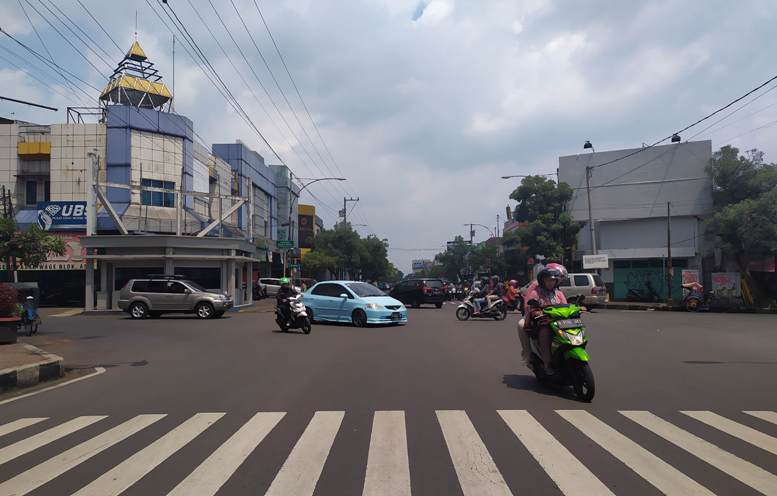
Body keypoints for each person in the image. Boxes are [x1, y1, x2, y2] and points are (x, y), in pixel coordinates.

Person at [518, 265, 568, 377]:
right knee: (541, 332)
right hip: (542, 321)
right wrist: (535, 311)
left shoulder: (558, 293)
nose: (551, 283)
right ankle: (542, 362)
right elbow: (528, 304)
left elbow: (565, 305)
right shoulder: (536, 290)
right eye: (548, 280)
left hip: (559, 321)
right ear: (542, 281)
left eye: (553, 280)